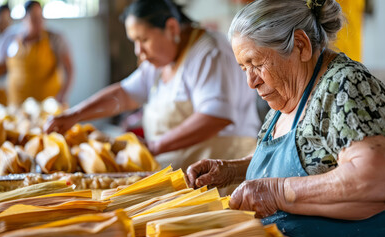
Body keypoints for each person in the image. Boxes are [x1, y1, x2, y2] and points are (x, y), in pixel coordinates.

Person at [186, 0, 385, 237]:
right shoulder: (288, 95)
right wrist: (232, 171)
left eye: (257, 64)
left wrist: (277, 192)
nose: (251, 82)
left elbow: (382, 180)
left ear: (301, 45)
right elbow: (313, 157)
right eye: (244, 68)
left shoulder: (345, 86)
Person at [44, 0, 261, 171]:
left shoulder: (210, 52)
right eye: (134, 41)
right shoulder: (158, 62)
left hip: (224, 174)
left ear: (172, 28)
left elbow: (215, 116)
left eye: (144, 39)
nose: (139, 51)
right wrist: (74, 115)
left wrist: (155, 146)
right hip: (181, 173)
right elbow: (124, 94)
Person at [0, 1, 73, 105]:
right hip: (16, 106)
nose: (38, 22)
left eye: (40, 18)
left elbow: (69, 68)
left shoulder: (54, 39)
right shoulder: (9, 39)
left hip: (49, 105)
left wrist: (63, 94)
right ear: (24, 19)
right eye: (34, 18)